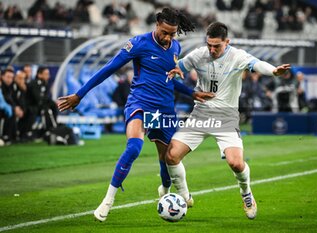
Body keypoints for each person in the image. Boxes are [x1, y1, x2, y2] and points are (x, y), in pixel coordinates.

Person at [57, 8, 214, 222]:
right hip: (140, 103)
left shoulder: (175, 47)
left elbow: (171, 80)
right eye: (165, 32)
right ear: (157, 23)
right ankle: (108, 201)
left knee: (167, 158)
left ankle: (166, 190)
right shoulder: (138, 43)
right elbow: (109, 68)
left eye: (172, 33)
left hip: (164, 109)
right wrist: (80, 95)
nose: (168, 37)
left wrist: (192, 93)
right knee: (134, 148)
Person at [165, 22, 290, 219]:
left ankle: (246, 193)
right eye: (209, 45)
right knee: (171, 156)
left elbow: (257, 64)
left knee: (236, 163)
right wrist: (175, 69)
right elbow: (178, 65)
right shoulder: (199, 54)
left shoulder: (237, 56)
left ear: (227, 42)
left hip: (226, 116)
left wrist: (274, 71)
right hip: (201, 115)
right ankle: (184, 196)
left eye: (217, 46)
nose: (212, 50)